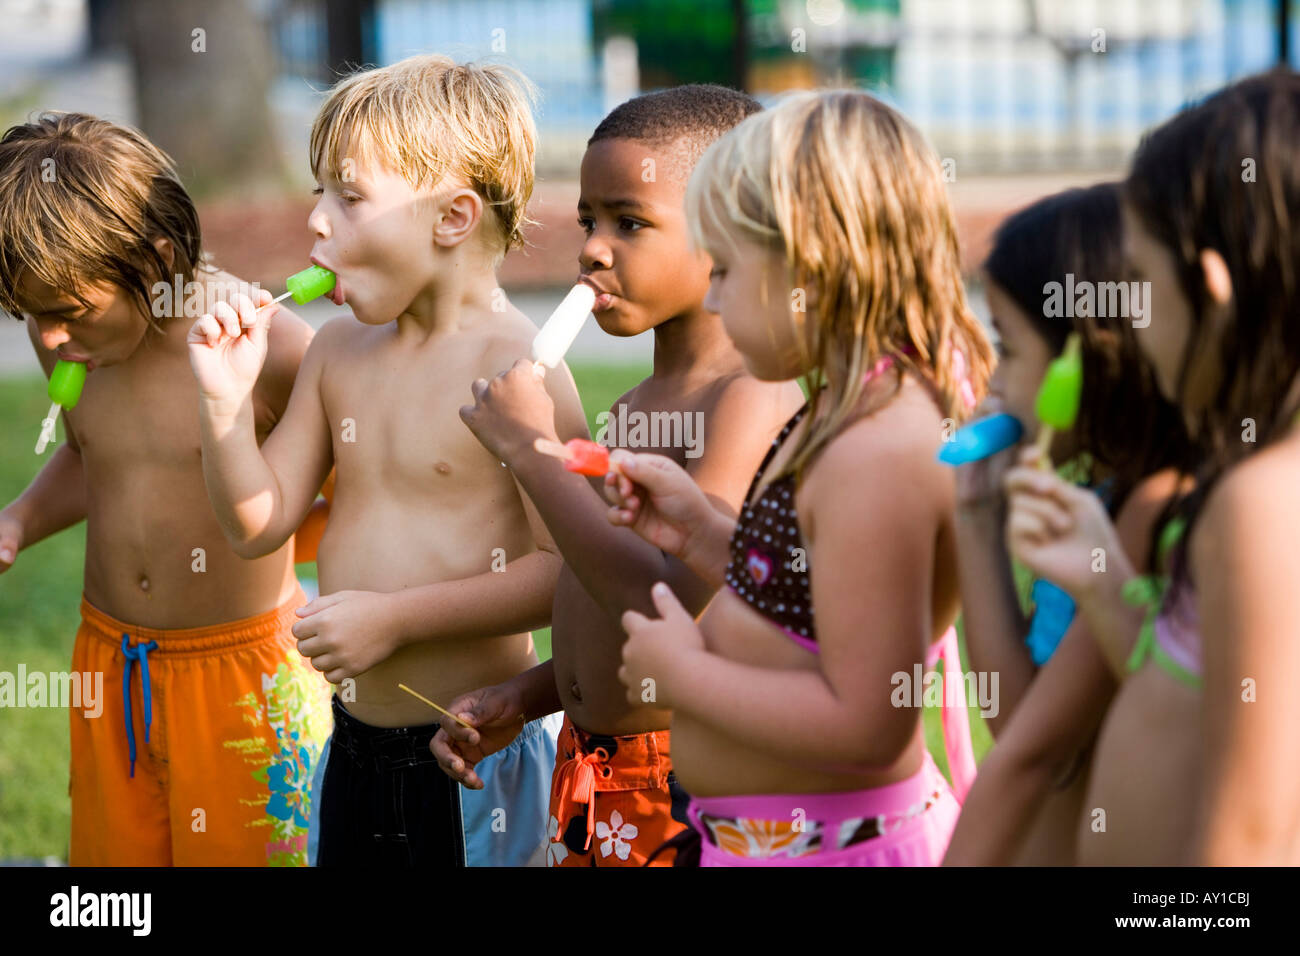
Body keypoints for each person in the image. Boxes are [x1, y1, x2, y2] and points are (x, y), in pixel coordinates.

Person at [188, 55, 586, 867]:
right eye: (318, 198)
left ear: (452, 218)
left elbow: (567, 570)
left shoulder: (523, 368)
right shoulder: (337, 352)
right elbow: (257, 525)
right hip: (353, 749)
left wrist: (394, 619)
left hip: (469, 758)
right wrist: (226, 408)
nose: (319, 225)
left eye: (350, 197)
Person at [608, 90, 994, 865]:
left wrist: (684, 673)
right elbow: (812, 606)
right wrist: (699, 532)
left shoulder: (877, 449)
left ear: (807, 268)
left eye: (725, 269)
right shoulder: (846, 408)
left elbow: (866, 722)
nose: (712, 297)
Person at [433, 85, 805, 867]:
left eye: (629, 223)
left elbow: (660, 596)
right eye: (589, 221)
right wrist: (528, 697)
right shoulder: (636, 405)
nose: (594, 249)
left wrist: (533, 450)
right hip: (587, 767)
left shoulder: (750, 395)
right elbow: (596, 590)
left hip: (677, 782)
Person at [0, 111, 330, 866]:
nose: (48, 339)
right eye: (27, 315)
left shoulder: (263, 345)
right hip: (112, 664)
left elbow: (352, 482)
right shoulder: (84, 350)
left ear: (154, 262)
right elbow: (94, 456)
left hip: (241, 675)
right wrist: (19, 518)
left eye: (66, 312)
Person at [1001, 71, 1300, 864]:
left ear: (1212, 286)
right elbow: (1215, 705)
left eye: (1137, 281)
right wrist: (1105, 587)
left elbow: (1252, 843)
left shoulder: (1263, 507)